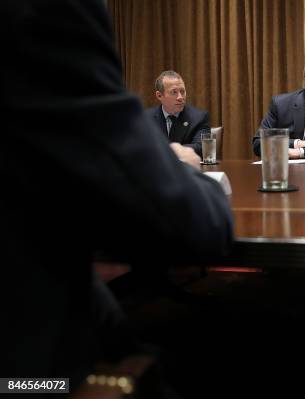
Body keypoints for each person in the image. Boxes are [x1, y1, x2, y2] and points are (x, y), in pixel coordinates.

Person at [1, 0, 233, 394]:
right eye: (173, 90)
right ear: (159, 94)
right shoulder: (46, 13)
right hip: (28, 378)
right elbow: (196, 225)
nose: (180, 96)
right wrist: (182, 168)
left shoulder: (198, 115)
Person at [145, 70, 211, 157]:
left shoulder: (199, 118)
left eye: (182, 91)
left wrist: (164, 150)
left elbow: (201, 148)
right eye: (174, 92)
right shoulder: (145, 118)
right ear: (159, 96)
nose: (180, 97)